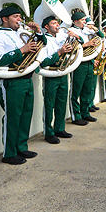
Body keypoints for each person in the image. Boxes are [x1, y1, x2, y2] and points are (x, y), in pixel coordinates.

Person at [0, 6, 46, 165]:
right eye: (16, 17)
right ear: (5, 19)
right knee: (12, 117)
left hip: (26, 78)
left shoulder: (20, 32)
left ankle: (21, 147)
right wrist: (22, 50)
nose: (20, 20)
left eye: (19, 16)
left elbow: (43, 44)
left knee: (26, 115)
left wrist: (38, 32)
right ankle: (9, 153)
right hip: (11, 81)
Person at [39, 16, 75, 144]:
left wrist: (73, 37)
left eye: (57, 23)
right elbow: (43, 62)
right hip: (51, 74)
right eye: (53, 23)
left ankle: (60, 128)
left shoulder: (60, 37)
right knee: (49, 105)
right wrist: (59, 52)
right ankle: (48, 132)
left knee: (61, 103)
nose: (57, 25)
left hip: (63, 73)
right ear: (47, 27)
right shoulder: (44, 41)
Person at [67, 11, 99, 126]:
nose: (85, 22)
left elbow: (101, 35)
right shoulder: (71, 31)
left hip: (89, 61)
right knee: (76, 91)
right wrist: (87, 44)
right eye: (83, 20)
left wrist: (94, 29)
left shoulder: (85, 30)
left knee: (87, 89)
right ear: (75, 21)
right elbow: (71, 48)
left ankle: (85, 112)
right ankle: (76, 116)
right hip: (79, 64)